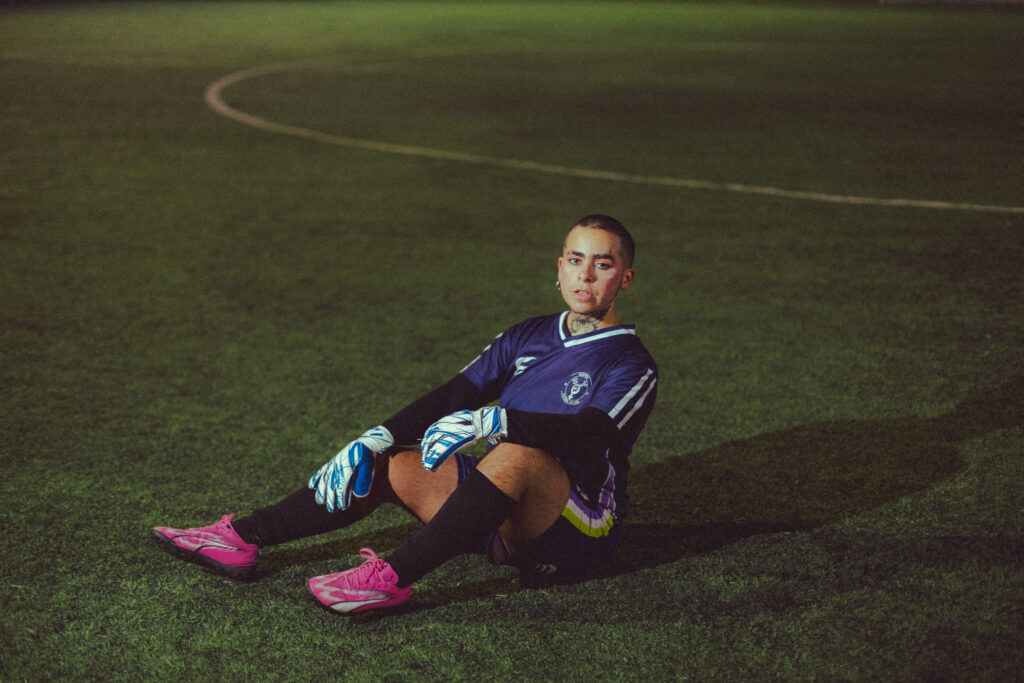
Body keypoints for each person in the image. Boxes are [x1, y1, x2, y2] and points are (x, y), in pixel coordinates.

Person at [152, 214, 658, 615]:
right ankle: (240, 537)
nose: (585, 274)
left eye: (603, 264)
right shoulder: (529, 334)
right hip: (502, 515)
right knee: (392, 463)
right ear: (559, 266)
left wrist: (496, 422)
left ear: (626, 277)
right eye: (575, 259)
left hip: (580, 530)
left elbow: (595, 433)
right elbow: (456, 392)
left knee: (516, 453)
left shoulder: (631, 360)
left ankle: (388, 581)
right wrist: (376, 437)